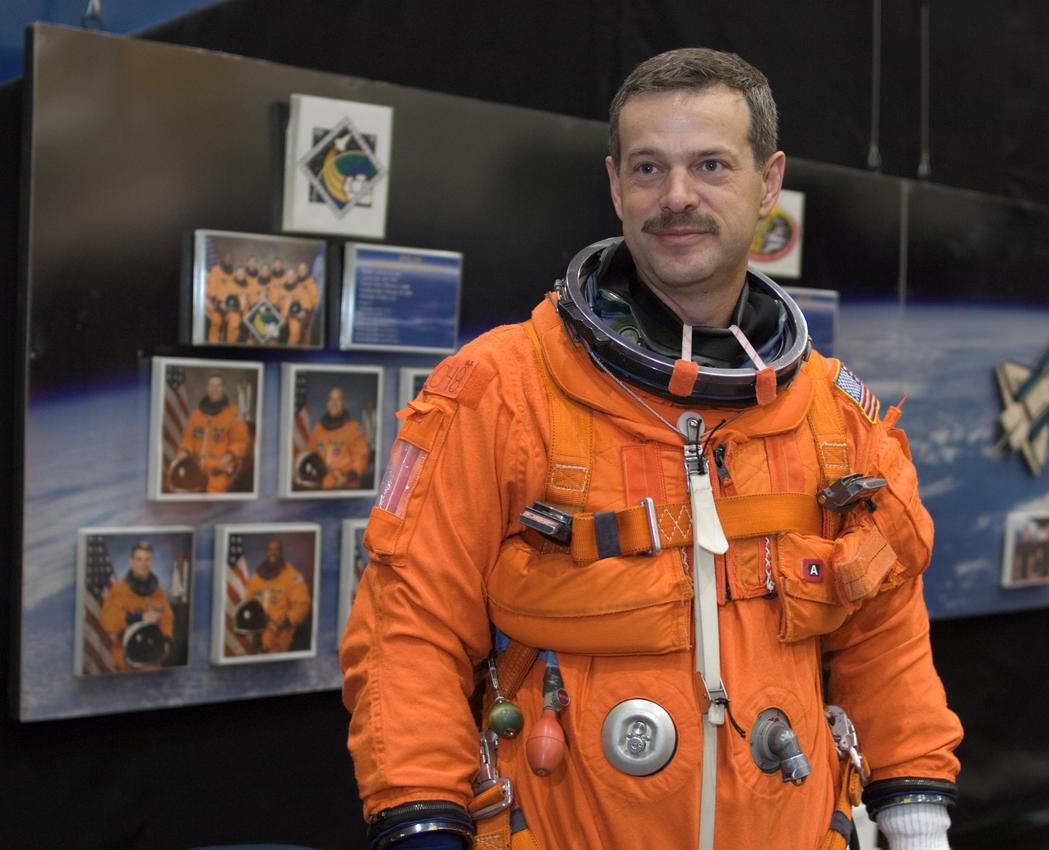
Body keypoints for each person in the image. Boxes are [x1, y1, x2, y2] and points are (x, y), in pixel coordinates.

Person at [342, 48, 962, 850]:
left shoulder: (834, 418)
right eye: (648, 168)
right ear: (614, 184)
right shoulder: (500, 389)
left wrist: (917, 825)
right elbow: (408, 631)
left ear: (769, 181)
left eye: (710, 165)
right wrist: (423, 826)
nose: (677, 198)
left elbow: (886, 639)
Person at [99, 541, 174, 672]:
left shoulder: (158, 592)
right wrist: (139, 617)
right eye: (139, 559)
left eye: (147, 559)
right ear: (131, 562)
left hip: (153, 656)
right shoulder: (119, 590)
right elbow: (108, 622)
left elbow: (167, 619)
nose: (143, 564)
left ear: (151, 562)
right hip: (126, 659)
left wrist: (166, 639)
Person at [174, 373, 250, 493]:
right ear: (207, 388)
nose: (214, 389)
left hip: (219, 472)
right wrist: (184, 451)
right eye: (211, 385)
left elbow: (239, 441)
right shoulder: (196, 414)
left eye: (218, 385)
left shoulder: (233, 412)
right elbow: (187, 439)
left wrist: (227, 458)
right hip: (196, 470)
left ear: (223, 388)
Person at [240, 537, 312, 654]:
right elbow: (248, 603)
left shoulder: (292, 577)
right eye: (269, 550)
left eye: (276, 550)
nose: (272, 553)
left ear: (281, 552)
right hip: (257, 640)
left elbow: (302, 606)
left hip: (281, 643)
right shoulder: (256, 578)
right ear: (265, 552)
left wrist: (282, 623)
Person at [303, 386, 370, 490]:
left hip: (346, 488)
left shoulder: (354, 430)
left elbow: (361, 460)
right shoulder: (318, 430)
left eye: (338, 400)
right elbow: (310, 455)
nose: (334, 403)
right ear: (327, 403)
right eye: (331, 399)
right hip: (321, 487)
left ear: (344, 404)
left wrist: (347, 478)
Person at [268, 260, 319, 345]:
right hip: (280, 315)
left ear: (295, 277)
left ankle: (289, 352)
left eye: (292, 275)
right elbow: (272, 302)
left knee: (295, 333)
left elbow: (306, 303)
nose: (290, 277)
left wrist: (304, 311)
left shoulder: (300, 290)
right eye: (288, 275)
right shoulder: (279, 289)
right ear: (286, 277)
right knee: (272, 334)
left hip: (294, 316)